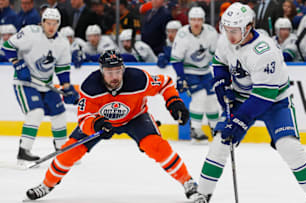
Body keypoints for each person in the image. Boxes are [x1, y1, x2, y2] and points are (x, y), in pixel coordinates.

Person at [24, 49, 198, 201]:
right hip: (102, 122)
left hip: (135, 117)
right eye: (109, 72)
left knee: (156, 146)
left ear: (123, 69)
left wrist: (174, 101)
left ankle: (187, 181)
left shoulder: (138, 79)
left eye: (117, 71)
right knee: (69, 152)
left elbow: (165, 83)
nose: (114, 77)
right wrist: (97, 124)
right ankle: (47, 185)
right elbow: (84, 119)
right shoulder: (90, 87)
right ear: (101, 71)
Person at [192, 3, 306, 203]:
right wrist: (221, 84)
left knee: (288, 146)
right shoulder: (225, 40)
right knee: (220, 143)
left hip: (274, 100)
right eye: (226, 30)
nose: (229, 35)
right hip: (241, 97)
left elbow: (263, 96)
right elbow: (220, 64)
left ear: (249, 26)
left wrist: (239, 122)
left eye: (234, 30)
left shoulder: (264, 51)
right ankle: (203, 193)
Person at [1, 8, 79, 165]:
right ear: (42, 22)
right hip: (25, 83)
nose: (51, 27)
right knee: (36, 113)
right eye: (48, 23)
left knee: (60, 114)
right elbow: (8, 47)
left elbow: (62, 68)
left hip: (46, 84)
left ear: (59, 24)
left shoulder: (62, 43)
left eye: (54, 24)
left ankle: (62, 149)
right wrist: (18, 64)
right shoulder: (30, 33)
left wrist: (67, 87)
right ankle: (24, 152)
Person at [170, 7, 219, 143]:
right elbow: (176, 59)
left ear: (203, 20)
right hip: (189, 71)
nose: (196, 23)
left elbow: (217, 55)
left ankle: (215, 129)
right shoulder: (182, 35)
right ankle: (196, 130)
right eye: (193, 19)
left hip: (205, 71)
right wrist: (181, 77)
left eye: (199, 20)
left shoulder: (211, 33)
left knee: (212, 99)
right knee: (199, 97)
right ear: (189, 20)